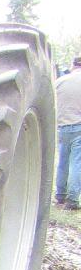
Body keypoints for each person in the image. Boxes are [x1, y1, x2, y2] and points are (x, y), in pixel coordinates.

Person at [55, 57, 81, 210]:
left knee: (63, 162)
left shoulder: (60, 81)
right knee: (77, 163)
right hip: (79, 126)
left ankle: (60, 195)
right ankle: (72, 200)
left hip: (62, 127)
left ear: (73, 65)